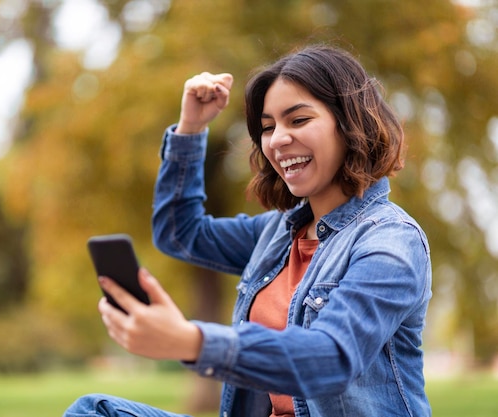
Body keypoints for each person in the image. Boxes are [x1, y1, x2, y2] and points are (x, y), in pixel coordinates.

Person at [63, 44, 432, 417]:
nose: (278, 140)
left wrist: (192, 341)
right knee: (93, 411)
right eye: (268, 127)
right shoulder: (278, 234)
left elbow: (331, 356)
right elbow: (180, 233)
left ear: (350, 124)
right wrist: (191, 128)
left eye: (298, 120)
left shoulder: (390, 241)